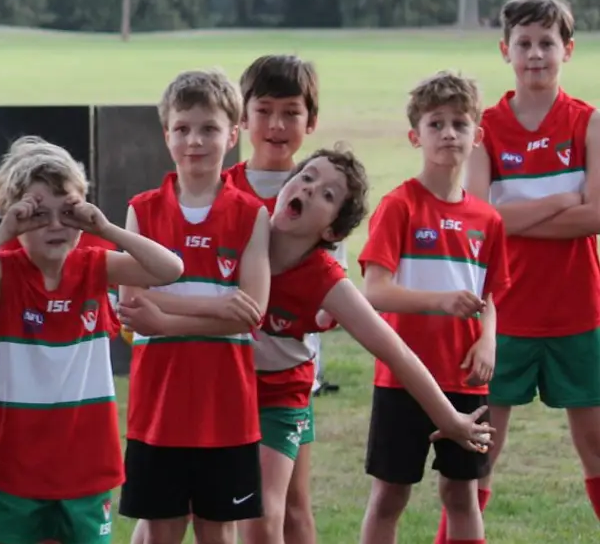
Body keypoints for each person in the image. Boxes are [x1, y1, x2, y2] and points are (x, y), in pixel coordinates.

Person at [127, 145, 499, 543]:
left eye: (327, 194)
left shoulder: (324, 278)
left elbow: (394, 348)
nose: (308, 189)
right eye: (306, 177)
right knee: (165, 511)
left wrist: (449, 418)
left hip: (279, 393)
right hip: (217, 385)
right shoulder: (240, 222)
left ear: (333, 232)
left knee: (265, 516)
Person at [0, 137, 183, 544]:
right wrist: (4, 232)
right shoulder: (3, 271)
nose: (54, 225)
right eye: (38, 214)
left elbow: (169, 269)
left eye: (66, 212)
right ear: (14, 215)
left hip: (84, 459)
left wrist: (104, 228)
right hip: (13, 459)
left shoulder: (96, 265)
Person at [466, 0, 600, 536]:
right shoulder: (485, 127)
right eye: (524, 43)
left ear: (567, 50)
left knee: (595, 448)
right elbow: (478, 221)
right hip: (503, 317)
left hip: (577, 310)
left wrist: (514, 215)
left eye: (547, 43)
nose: (536, 54)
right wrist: (563, 202)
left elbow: (597, 218)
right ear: (505, 51)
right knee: (479, 453)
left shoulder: (589, 123)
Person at [120, 70, 271, 543]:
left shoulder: (251, 214)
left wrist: (165, 319)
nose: (195, 140)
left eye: (209, 128)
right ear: (167, 136)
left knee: (217, 532)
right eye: (183, 128)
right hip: (158, 407)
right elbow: (131, 301)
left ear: (233, 134)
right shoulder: (142, 210)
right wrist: (216, 306)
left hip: (225, 409)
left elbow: (252, 313)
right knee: (161, 528)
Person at [359, 72, 508, 544]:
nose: (448, 134)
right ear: (415, 135)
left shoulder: (488, 219)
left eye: (460, 124)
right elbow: (375, 292)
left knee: (461, 493)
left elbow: (489, 298)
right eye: (436, 123)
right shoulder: (399, 206)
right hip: (402, 380)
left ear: (476, 136)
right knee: (389, 496)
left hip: (464, 379)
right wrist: (439, 302)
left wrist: (488, 340)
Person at [226, 55, 327, 544]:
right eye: (264, 111)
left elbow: (327, 293)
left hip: (286, 376)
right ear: (242, 118)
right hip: (221, 371)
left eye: (291, 112)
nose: (277, 125)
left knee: (287, 512)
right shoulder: (221, 189)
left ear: (312, 121)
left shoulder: (321, 193)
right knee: (231, 506)